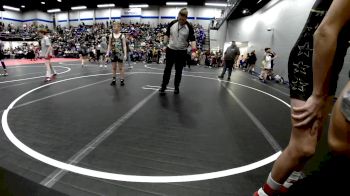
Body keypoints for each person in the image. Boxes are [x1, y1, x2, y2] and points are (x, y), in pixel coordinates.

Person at [254, 0, 350, 195]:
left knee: (311, 146)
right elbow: (323, 32)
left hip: (330, 62)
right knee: (303, 147)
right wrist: (318, 94)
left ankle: (290, 182)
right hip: (309, 63)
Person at [159, 8, 196, 95]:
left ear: (186, 18)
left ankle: (176, 87)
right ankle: (163, 86)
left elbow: (193, 40)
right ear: (178, 16)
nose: (181, 21)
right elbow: (167, 34)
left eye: (183, 20)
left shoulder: (189, 27)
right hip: (171, 50)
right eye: (180, 19)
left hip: (182, 51)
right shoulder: (172, 23)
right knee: (167, 69)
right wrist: (164, 45)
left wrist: (194, 51)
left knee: (179, 71)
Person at [107, 22, 127, 86]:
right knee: (114, 68)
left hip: (120, 53)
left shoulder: (122, 36)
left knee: (121, 68)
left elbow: (124, 45)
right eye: (114, 26)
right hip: (113, 53)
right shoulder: (111, 35)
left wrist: (125, 54)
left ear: (119, 27)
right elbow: (109, 45)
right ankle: (113, 80)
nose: (115, 28)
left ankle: (122, 80)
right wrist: (107, 53)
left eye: (116, 26)